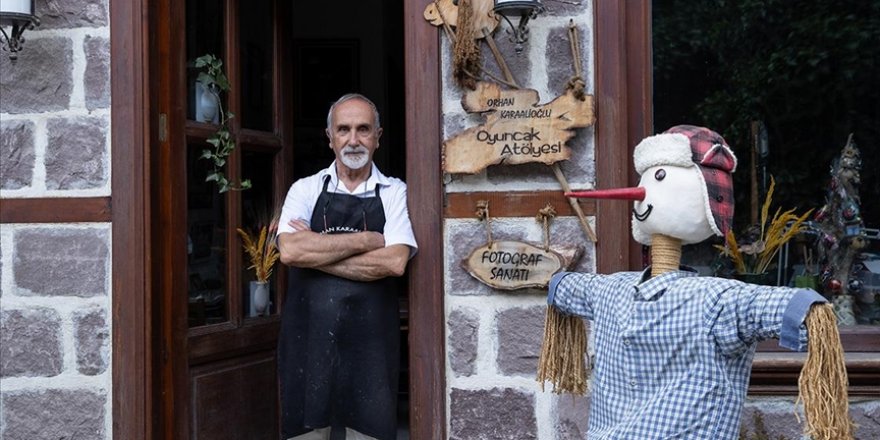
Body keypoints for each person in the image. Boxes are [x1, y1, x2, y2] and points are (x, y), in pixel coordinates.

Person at [542, 125, 850, 439]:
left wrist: (553, 268)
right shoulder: (713, 300)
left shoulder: (614, 291)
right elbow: (804, 310)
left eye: (658, 177)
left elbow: (563, 288)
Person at [276, 93, 417, 440]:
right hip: (309, 343)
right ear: (330, 138)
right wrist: (366, 241)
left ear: (378, 136)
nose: (353, 139)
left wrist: (318, 252)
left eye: (363, 129)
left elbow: (396, 262)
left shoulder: (395, 192)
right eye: (344, 129)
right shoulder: (305, 189)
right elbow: (291, 252)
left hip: (370, 347)